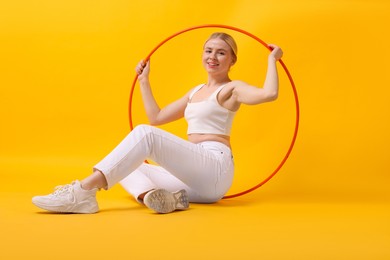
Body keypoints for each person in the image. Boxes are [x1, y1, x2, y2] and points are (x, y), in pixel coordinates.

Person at [32, 32, 283, 214]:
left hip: (214, 168)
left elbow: (269, 94)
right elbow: (157, 117)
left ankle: (82, 191)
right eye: (208, 51)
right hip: (193, 182)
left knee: (145, 134)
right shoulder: (195, 91)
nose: (213, 57)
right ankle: (159, 197)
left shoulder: (233, 89)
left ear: (232, 60)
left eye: (221, 52)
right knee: (129, 165)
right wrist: (144, 80)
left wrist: (273, 60)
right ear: (202, 55)